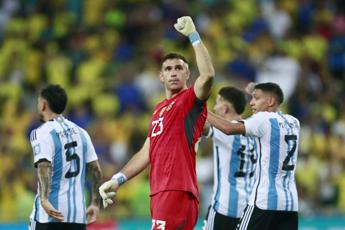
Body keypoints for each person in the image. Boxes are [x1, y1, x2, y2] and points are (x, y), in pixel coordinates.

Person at [99, 16, 215, 230]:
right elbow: (147, 152)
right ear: (160, 77)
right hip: (162, 192)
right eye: (168, 69)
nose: (173, 73)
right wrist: (118, 179)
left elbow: (207, 75)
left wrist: (193, 36)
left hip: (175, 190)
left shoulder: (189, 101)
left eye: (179, 68)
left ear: (188, 74)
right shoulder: (158, 111)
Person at [207, 82, 299, 230]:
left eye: (256, 98)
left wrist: (200, 108)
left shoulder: (263, 119)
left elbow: (229, 128)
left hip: (264, 201)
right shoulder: (294, 122)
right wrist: (260, 92)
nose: (251, 103)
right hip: (290, 203)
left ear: (270, 101)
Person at [28, 84, 102, 230]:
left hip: (49, 214)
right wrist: (95, 202)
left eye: (38, 102)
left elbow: (44, 166)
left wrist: (43, 199)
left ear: (43, 105)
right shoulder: (82, 133)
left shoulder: (41, 132)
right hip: (78, 215)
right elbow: (96, 170)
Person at [202, 87, 257, 230]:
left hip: (224, 207)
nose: (215, 107)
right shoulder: (254, 129)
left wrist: (193, 104)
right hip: (249, 207)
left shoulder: (225, 131)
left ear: (225, 109)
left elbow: (202, 126)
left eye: (218, 102)